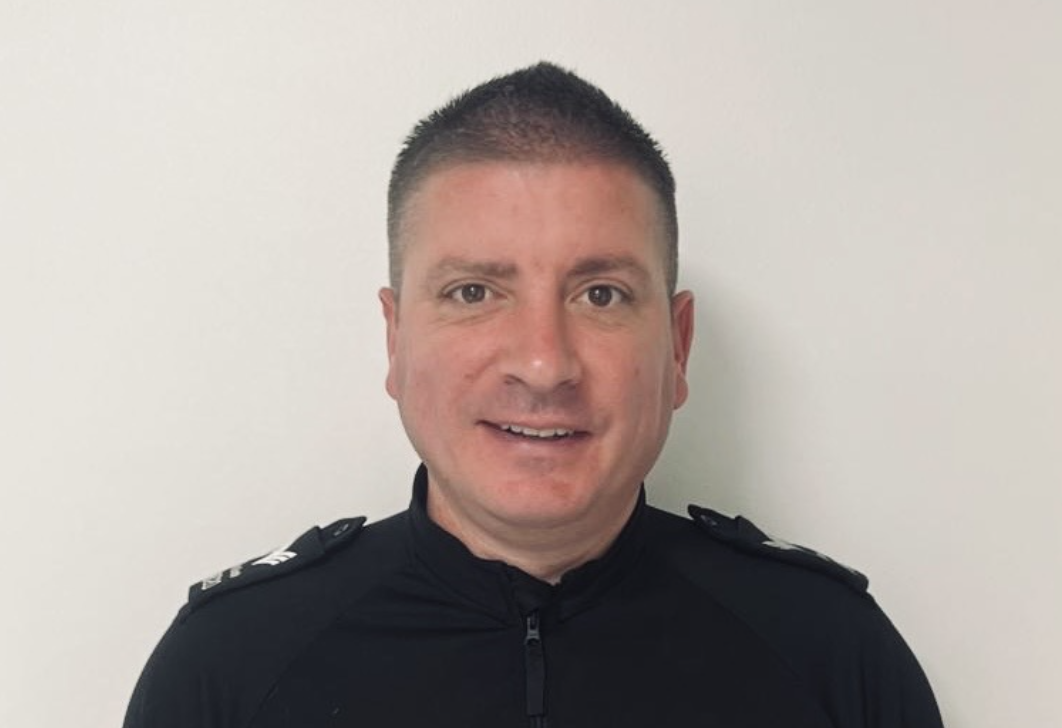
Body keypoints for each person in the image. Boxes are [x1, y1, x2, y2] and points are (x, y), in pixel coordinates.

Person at [124, 62, 943, 727]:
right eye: (475, 292)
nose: (545, 366)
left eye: (601, 295)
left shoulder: (832, 656)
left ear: (677, 345)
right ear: (396, 339)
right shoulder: (228, 667)